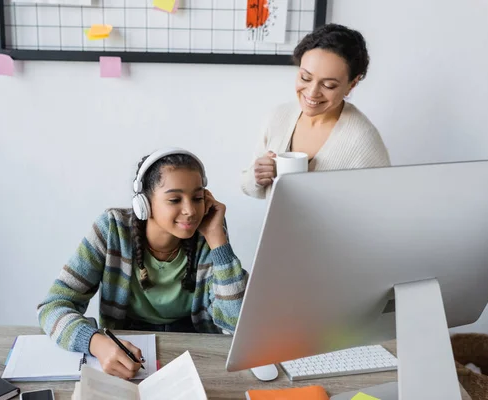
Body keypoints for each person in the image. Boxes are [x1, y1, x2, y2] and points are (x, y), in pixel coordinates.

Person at [37, 147, 248, 379]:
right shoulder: (111, 230)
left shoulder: (210, 232)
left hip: (196, 350)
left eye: (197, 198)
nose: (190, 210)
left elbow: (237, 324)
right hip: (128, 347)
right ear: (144, 203)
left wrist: (219, 242)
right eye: (175, 199)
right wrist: (96, 343)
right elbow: (53, 306)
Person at [241, 23, 391, 199]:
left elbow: (381, 208)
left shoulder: (362, 140)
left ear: (352, 84)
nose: (312, 93)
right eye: (305, 77)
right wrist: (257, 177)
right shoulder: (278, 117)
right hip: (277, 227)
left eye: (329, 85)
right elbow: (249, 187)